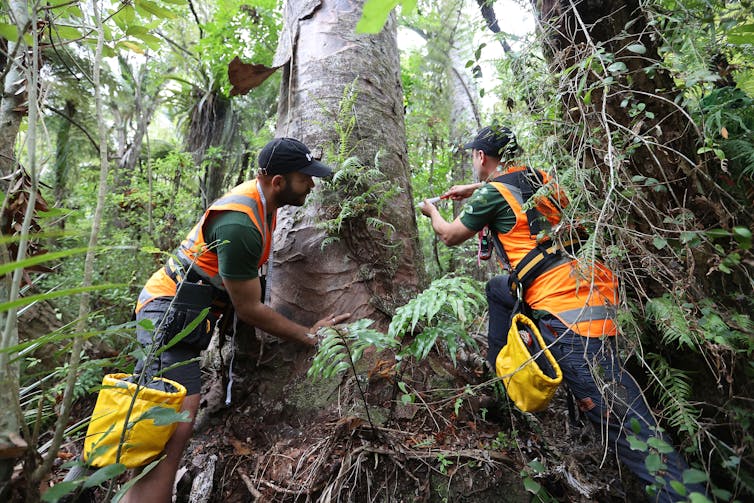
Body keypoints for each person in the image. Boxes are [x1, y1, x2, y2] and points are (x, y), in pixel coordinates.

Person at [420, 125, 706, 502]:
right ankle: (504, 373)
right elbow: (514, 188)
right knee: (498, 290)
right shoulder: (544, 178)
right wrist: (470, 190)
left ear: (480, 157)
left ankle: (685, 495)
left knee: (630, 430)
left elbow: (449, 235)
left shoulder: (494, 191)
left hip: (569, 315)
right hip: (596, 294)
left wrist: (433, 210)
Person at [122, 137, 351, 502]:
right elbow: (249, 308)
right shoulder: (240, 224)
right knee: (172, 420)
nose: (312, 184)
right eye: (305, 177)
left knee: (169, 420)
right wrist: (310, 336)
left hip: (191, 312)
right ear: (278, 181)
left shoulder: (264, 202)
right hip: (166, 310)